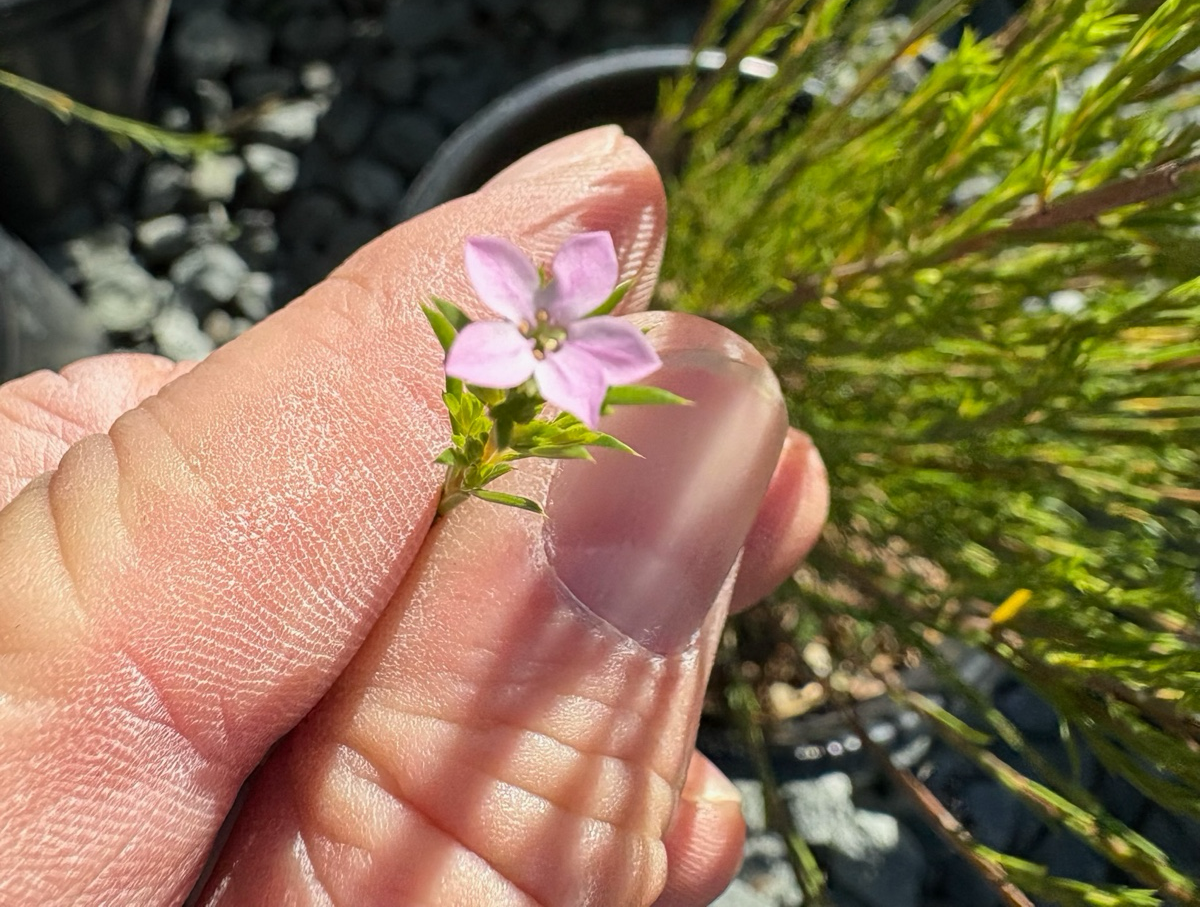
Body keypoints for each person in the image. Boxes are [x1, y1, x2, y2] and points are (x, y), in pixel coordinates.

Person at [0, 128, 828, 906]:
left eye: (552, 331)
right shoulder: (508, 346)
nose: (545, 334)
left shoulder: (559, 359)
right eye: (538, 327)